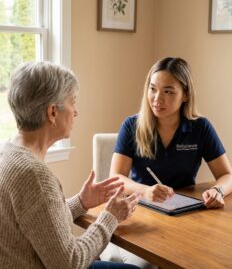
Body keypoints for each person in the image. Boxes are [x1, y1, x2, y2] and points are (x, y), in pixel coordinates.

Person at [0, 61, 141, 269]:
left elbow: (38, 223)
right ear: (52, 113)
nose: (76, 112)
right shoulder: (34, 175)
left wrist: (80, 202)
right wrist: (110, 218)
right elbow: (70, 263)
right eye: (73, 102)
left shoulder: (9, 150)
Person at [108, 57, 232, 267]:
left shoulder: (200, 128)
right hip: (140, 215)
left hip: (184, 219)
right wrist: (146, 191)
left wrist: (218, 191)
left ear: (185, 95)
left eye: (168, 91)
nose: (157, 98)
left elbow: (227, 175)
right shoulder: (131, 126)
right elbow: (116, 178)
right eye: (153, 88)